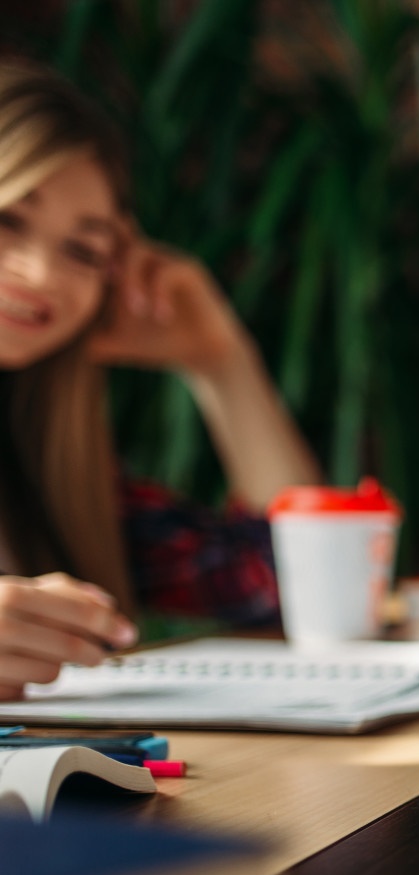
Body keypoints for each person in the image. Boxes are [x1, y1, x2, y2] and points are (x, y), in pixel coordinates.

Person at [0, 60, 319, 701]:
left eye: (84, 252)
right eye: (8, 220)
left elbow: (294, 584)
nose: (41, 274)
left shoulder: (44, 467)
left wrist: (222, 363)